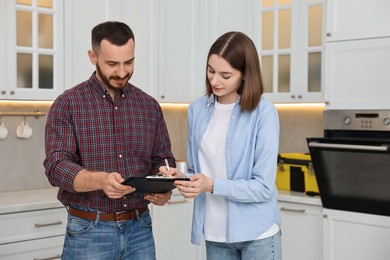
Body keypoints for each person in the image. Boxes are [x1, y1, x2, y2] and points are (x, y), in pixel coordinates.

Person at [44, 21, 176, 260]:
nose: (122, 72)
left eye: (129, 62)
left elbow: (162, 158)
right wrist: (101, 180)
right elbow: (56, 166)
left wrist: (164, 185)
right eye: (112, 64)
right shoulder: (68, 104)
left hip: (140, 229)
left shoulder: (149, 106)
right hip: (89, 231)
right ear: (92, 56)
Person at [162, 31, 282, 260]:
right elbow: (198, 173)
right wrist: (184, 179)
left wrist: (211, 185)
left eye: (225, 75)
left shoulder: (263, 113)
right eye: (211, 71)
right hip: (215, 234)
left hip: (257, 235)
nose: (215, 81)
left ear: (245, 75)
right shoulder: (196, 110)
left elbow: (264, 188)